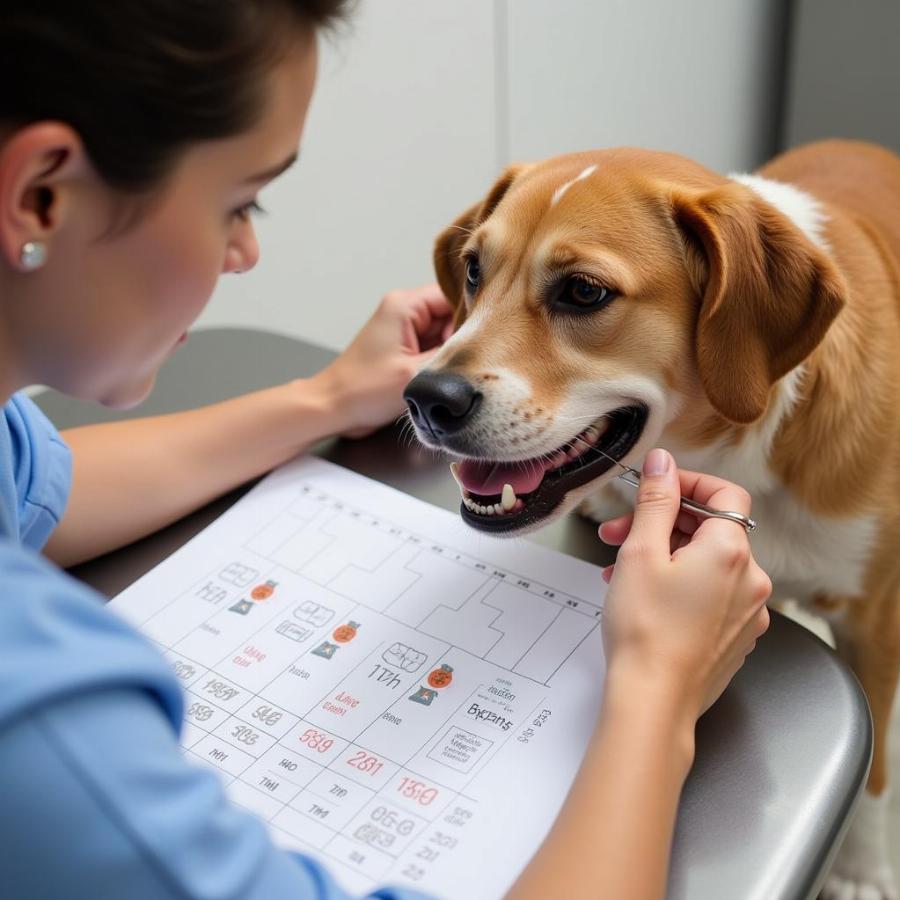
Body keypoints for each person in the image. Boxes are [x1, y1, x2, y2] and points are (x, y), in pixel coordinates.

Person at [0, 2, 772, 898]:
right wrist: (658, 693)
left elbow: (38, 489)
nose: (245, 251)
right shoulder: (43, 725)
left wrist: (323, 397)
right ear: (40, 195)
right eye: (240, 201)